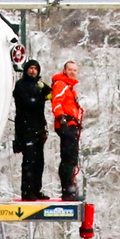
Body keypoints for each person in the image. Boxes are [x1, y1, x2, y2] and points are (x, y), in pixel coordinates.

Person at [12, 59, 51, 200]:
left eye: (35, 69)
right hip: (25, 128)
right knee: (29, 161)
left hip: (39, 127)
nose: (33, 71)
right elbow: (28, 103)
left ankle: (36, 189)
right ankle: (27, 191)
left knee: (39, 161)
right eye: (31, 68)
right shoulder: (21, 85)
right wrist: (40, 95)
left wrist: (44, 89)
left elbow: (51, 94)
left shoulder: (39, 85)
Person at [51, 59, 84, 200]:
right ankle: (67, 190)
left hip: (72, 125)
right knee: (69, 158)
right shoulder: (61, 84)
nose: (72, 72)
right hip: (67, 125)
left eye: (75, 70)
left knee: (71, 158)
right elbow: (56, 101)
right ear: (65, 70)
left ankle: (69, 188)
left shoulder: (70, 88)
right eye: (70, 69)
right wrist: (61, 118)